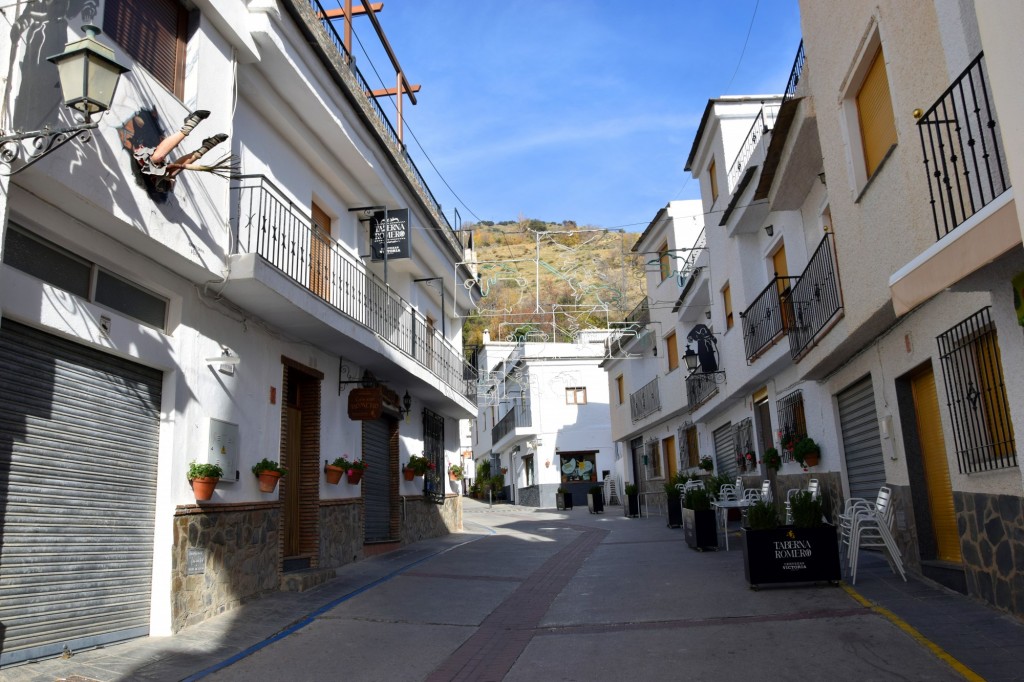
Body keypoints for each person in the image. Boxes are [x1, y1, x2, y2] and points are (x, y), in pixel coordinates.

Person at [134, 109, 228, 190]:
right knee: (171, 172)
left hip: (150, 162)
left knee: (157, 158)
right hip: (153, 172)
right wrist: (178, 166)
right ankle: (204, 148)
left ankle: (188, 126)